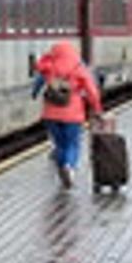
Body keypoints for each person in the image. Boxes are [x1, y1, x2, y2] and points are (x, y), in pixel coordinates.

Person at [31, 40, 103, 189]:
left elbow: (38, 83)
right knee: (72, 143)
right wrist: (97, 109)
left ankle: (62, 167)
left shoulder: (49, 65)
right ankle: (69, 167)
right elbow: (92, 90)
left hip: (51, 114)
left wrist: (34, 93)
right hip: (73, 113)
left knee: (60, 144)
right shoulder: (78, 67)